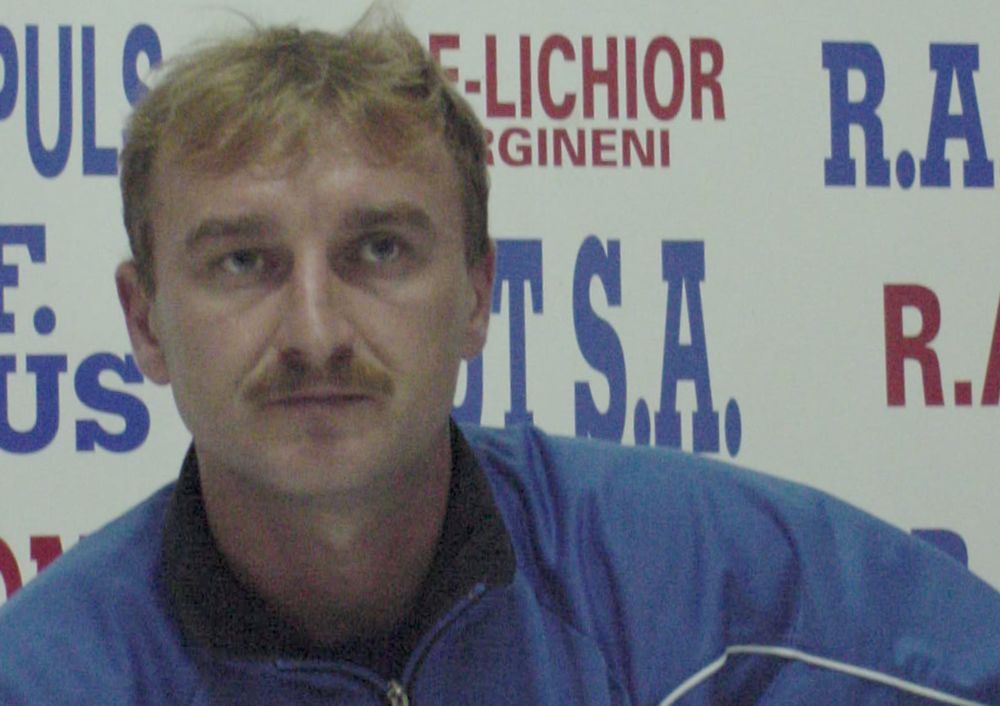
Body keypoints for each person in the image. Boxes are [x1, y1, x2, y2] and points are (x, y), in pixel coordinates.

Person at [1, 16, 999, 706]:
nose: (315, 331)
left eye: (378, 250)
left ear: (477, 296)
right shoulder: (45, 677)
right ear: (145, 322)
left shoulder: (693, 582)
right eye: (241, 262)